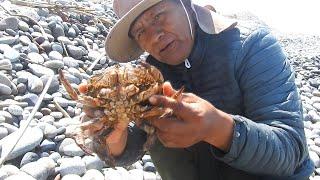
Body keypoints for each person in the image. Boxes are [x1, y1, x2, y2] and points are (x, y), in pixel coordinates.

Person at [84, 0, 314, 179]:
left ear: (185, 4)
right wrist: (113, 139)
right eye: (140, 31)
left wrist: (219, 130)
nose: (155, 35)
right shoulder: (147, 77)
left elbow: (291, 151)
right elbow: (136, 142)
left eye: (158, 15)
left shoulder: (253, 46)